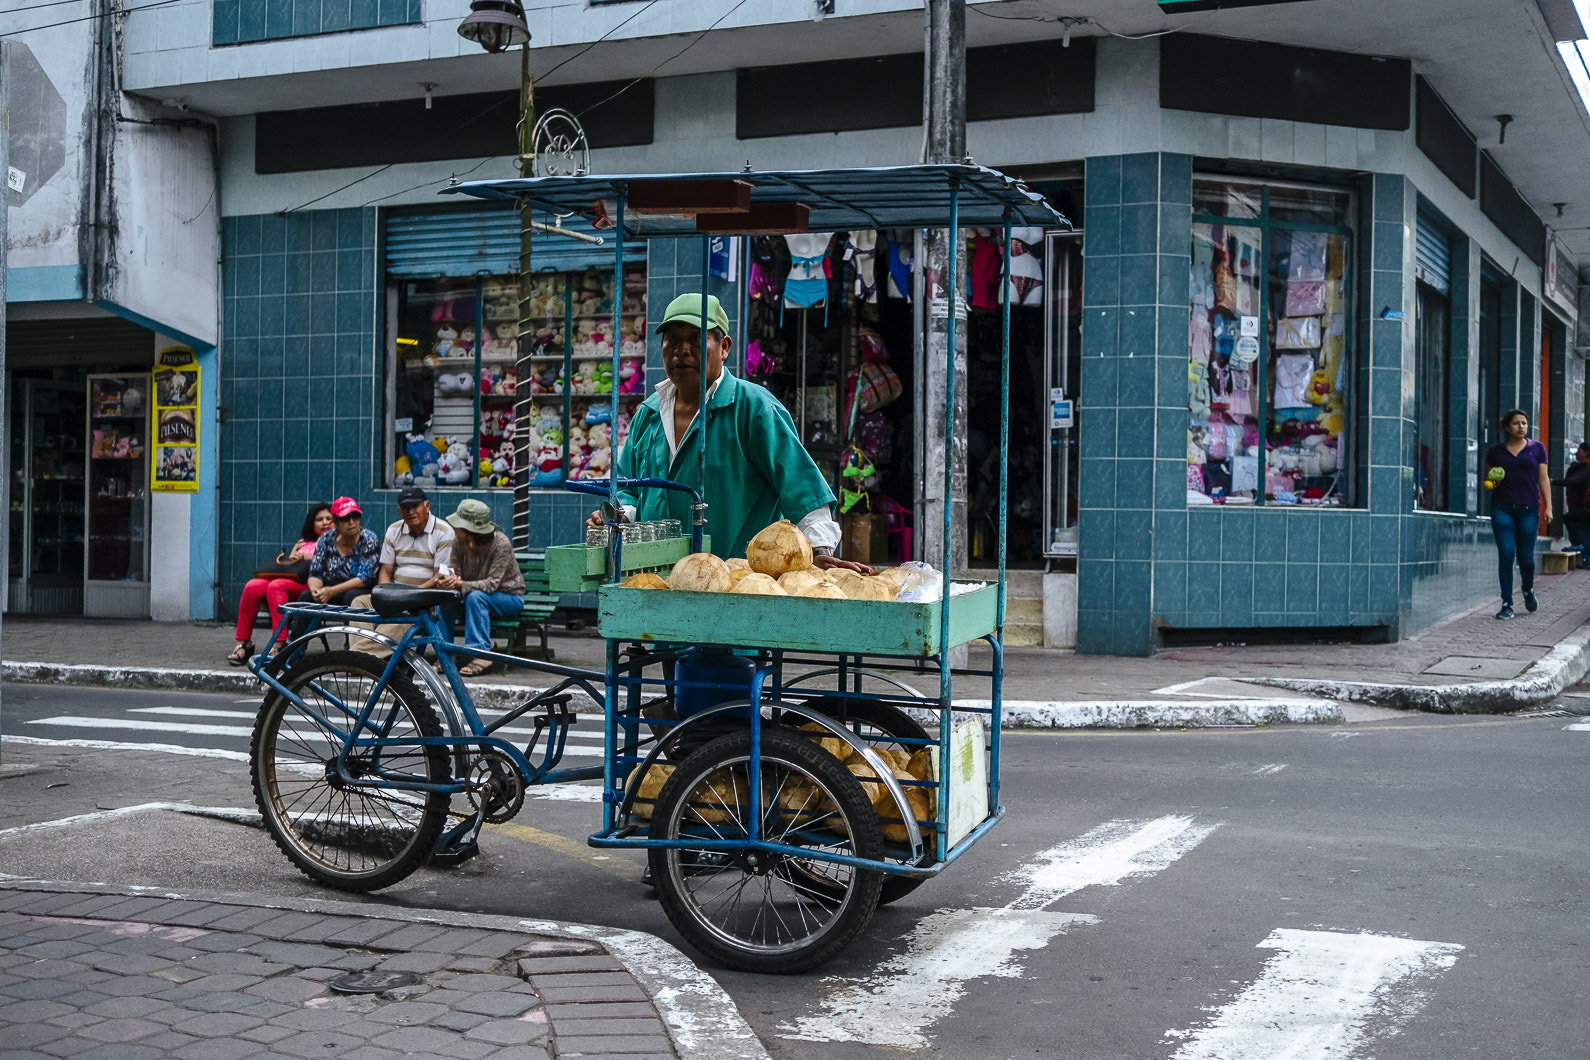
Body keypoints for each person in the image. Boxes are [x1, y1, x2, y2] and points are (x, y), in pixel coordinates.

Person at [586, 293, 868, 572]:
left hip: (739, 587)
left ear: (724, 347)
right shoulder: (648, 415)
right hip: (655, 582)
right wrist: (616, 516)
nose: (681, 350)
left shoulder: (754, 409)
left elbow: (802, 490)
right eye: (671, 339)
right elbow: (629, 491)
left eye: (696, 339)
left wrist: (819, 550)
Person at [351, 486, 456, 656]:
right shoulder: (394, 530)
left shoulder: (444, 532)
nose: (411, 511)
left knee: (400, 620)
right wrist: (385, 598)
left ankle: (356, 657)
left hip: (424, 600)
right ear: (399, 510)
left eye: (415, 506)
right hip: (396, 595)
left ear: (427, 506)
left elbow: (439, 577)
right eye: (406, 508)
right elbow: (385, 571)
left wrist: (409, 598)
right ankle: (368, 657)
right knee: (359, 603)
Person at [229, 502, 330, 664]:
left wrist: (306, 557)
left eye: (329, 518)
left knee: (276, 586)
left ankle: (280, 644)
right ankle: (243, 643)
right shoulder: (303, 543)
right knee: (252, 586)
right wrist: (293, 555)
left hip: (312, 586)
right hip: (288, 582)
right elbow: (292, 568)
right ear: (312, 523)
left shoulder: (335, 541)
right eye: (319, 519)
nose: (325, 522)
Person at [437, 499, 524, 676]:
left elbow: (492, 584)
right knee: (444, 599)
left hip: (508, 597)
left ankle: (481, 654)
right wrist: (447, 581)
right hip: (472, 597)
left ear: (472, 528)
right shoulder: (459, 542)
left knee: (476, 597)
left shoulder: (501, 544)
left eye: (460, 524)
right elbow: (455, 571)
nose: (456, 528)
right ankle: (446, 653)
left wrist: (460, 583)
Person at [1484, 409, 1552, 620]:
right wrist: (1492, 481)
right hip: (1502, 508)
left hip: (1528, 509)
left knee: (1527, 560)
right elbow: (1488, 480)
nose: (1521, 426)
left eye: (1524, 423)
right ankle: (1506, 603)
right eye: (1516, 423)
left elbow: (1543, 478)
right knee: (1506, 553)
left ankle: (1528, 589)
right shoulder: (1496, 452)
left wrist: (1548, 507)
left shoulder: (1537, 449)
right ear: (1507, 427)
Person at [303, 496, 381, 606]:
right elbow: (316, 572)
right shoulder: (325, 539)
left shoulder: (369, 539)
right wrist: (315, 590)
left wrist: (332, 591)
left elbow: (365, 578)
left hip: (358, 589)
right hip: (330, 589)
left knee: (351, 597)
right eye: (345, 518)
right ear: (336, 522)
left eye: (356, 517)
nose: (352, 522)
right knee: (306, 598)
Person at [1553, 442, 1590, 552]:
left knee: (1569, 518)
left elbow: (1573, 481)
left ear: (1585, 452)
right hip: (1579, 505)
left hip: (1584, 506)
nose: (1578, 453)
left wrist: (1554, 482)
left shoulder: (1587, 468)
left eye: (1579, 450)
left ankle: (1577, 545)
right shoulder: (1580, 467)